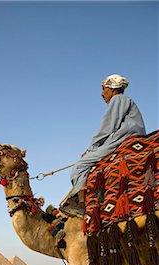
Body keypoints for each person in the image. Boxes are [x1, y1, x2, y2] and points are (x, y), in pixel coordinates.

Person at [60, 74, 146, 218]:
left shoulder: (118, 99)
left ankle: (80, 202)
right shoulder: (125, 101)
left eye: (104, 89)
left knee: (81, 165)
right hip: (126, 135)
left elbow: (107, 128)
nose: (102, 94)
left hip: (123, 137)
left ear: (113, 89)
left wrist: (91, 149)